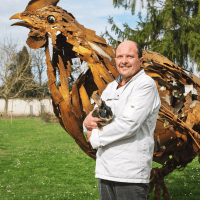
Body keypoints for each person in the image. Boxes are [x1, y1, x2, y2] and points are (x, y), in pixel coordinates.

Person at [83, 40, 161, 200]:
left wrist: (96, 137)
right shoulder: (111, 87)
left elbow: (129, 124)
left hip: (129, 175)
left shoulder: (145, 85)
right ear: (115, 60)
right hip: (105, 171)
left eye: (129, 56)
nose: (124, 61)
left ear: (140, 61)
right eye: (120, 56)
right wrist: (86, 124)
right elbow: (100, 116)